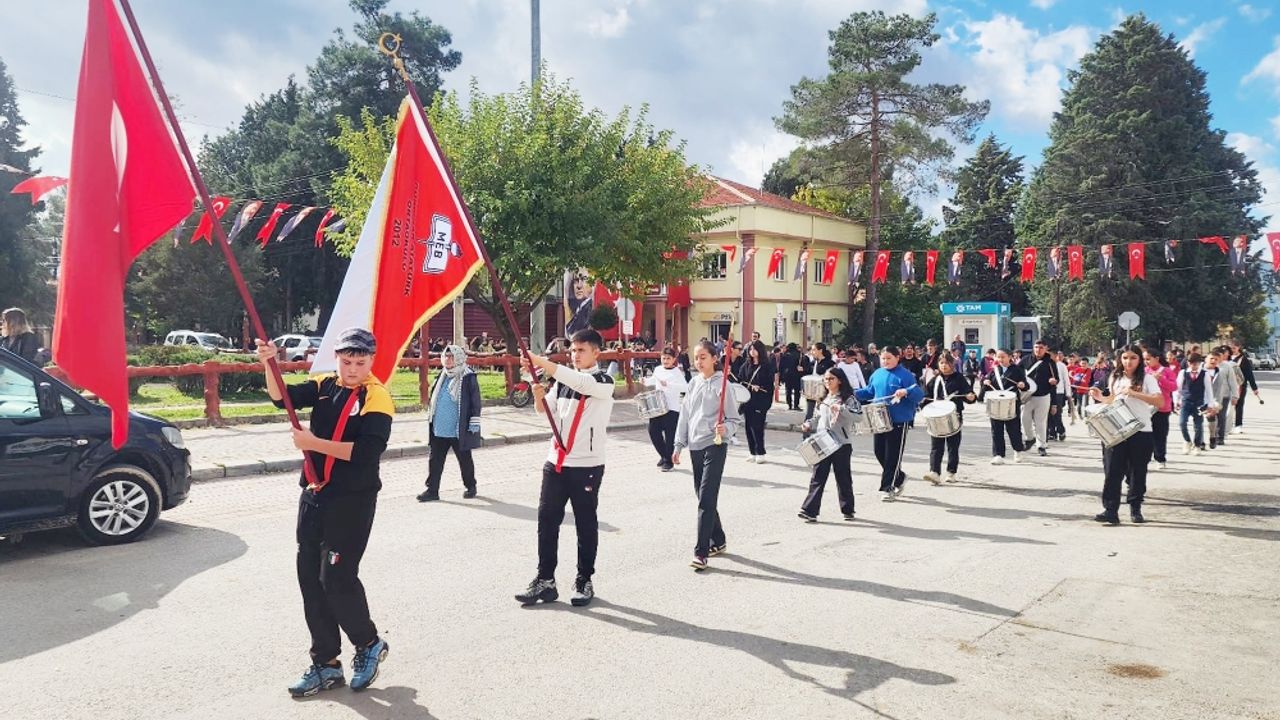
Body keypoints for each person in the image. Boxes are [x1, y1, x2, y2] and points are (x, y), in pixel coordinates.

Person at [256, 329, 394, 697]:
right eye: (346, 362)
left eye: (360, 363)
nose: (352, 369)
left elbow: (366, 453)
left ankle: (368, 645)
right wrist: (270, 363)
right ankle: (326, 663)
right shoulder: (324, 384)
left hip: (352, 501)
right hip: (315, 495)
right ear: (336, 359)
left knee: (337, 578)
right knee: (311, 581)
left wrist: (313, 443)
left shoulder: (377, 397)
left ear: (371, 361)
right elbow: (279, 398)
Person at [514, 329, 615, 608]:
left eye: (581, 350)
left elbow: (580, 382)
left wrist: (539, 361)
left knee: (585, 522)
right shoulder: (562, 383)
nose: (575, 355)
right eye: (572, 350)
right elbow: (546, 411)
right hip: (556, 460)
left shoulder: (603, 381)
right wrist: (538, 396)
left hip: (587, 465)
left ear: (596, 352)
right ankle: (545, 580)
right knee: (547, 520)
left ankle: (584, 579)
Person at [672, 340, 742, 571]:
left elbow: (734, 419)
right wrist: (678, 444)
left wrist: (727, 429)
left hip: (715, 444)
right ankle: (719, 539)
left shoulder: (724, 385)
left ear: (714, 359)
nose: (699, 361)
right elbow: (685, 414)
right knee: (702, 496)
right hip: (695, 445)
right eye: (696, 357)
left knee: (706, 499)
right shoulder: (693, 383)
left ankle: (701, 552)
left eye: (703, 357)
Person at [1088, 346, 1162, 525]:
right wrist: (1100, 397)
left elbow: (1160, 401)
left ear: (1140, 360)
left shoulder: (1148, 378)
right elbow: (1113, 400)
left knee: (1137, 471)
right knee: (1112, 470)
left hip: (1141, 430)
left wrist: (1136, 393)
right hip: (1117, 430)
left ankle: (1135, 507)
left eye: (1133, 358)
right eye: (1125, 358)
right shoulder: (1115, 377)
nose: (1129, 362)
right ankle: (1110, 510)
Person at [854, 347, 924, 501]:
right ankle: (899, 478)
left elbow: (919, 394)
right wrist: (852, 393)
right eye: (883, 358)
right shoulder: (877, 374)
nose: (885, 361)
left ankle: (888, 487)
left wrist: (906, 392)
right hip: (880, 420)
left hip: (899, 420)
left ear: (898, 358)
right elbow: (869, 392)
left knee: (892, 455)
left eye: (889, 358)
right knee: (879, 452)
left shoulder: (906, 375)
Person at [417, 345, 482, 502]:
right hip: (440, 427)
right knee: (435, 460)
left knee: (464, 459)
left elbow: (475, 401)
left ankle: (470, 486)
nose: (448, 360)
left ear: (459, 358)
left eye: (451, 357)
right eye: (446, 356)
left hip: (458, 428)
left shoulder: (468, 376)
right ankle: (432, 490)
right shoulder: (443, 374)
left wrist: (474, 423)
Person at [797, 368, 860, 522]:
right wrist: (808, 424)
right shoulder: (824, 398)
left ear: (839, 380)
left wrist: (842, 409)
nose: (827, 382)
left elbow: (858, 417)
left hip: (841, 443)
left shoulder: (849, 399)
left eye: (831, 379)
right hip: (823, 441)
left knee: (843, 477)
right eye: (825, 379)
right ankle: (809, 510)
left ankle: (848, 509)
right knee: (818, 476)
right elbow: (818, 417)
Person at [921, 353, 976, 484]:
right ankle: (934, 472)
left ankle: (951, 472)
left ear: (952, 364)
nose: (944, 366)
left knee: (953, 446)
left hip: (954, 415)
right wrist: (923, 401)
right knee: (936, 446)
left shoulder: (959, 378)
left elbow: (968, 393)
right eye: (941, 363)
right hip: (937, 417)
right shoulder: (935, 380)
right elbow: (927, 396)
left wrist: (970, 396)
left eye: (946, 363)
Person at [980, 349, 1028, 465]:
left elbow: (1025, 384)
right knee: (996, 430)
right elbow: (987, 382)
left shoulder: (1017, 370)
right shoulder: (994, 371)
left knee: (1013, 429)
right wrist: (985, 382)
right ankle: (998, 454)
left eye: (1003, 357)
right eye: (998, 357)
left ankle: (1018, 450)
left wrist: (1022, 385)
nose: (1000, 359)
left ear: (1010, 357)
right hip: (996, 403)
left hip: (1011, 403)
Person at [643, 347, 688, 471]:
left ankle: (669, 462)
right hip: (657, 406)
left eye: (669, 358)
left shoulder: (677, 372)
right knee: (653, 431)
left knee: (670, 436)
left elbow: (685, 387)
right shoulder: (657, 369)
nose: (666, 360)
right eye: (664, 358)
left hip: (672, 408)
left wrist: (668, 385)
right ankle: (664, 455)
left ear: (674, 359)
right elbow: (653, 380)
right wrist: (645, 381)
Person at [1019, 340, 1060, 457]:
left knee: (1040, 422)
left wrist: (1053, 381)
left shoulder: (1050, 362)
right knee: (1024, 419)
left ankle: (1041, 445)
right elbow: (1016, 372)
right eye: (1036, 347)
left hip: (1043, 395)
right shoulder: (1025, 360)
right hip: (1027, 395)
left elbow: (1056, 379)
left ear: (1046, 348)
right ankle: (1029, 438)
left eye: (1041, 347)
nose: (1038, 349)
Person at [739, 340, 776, 463]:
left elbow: (770, 385)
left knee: (757, 427)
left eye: (754, 349)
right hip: (748, 400)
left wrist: (759, 387)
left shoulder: (766, 366)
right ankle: (752, 452)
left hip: (760, 400)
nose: (752, 352)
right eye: (750, 349)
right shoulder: (746, 365)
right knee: (748, 427)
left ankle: (760, 452)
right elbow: (741, 379)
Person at [1143, 348, 1176, 471]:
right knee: (1146, 434)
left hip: (1162, 408)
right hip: (1146, 407)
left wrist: (1161, 379)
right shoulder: (1144, 371)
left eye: (1148, 359)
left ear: (1156, 358)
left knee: (1160, 435)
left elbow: (1174, 387)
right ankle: (1145, 457)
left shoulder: (1166, 371)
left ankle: (1160, 458)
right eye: (1144, 359)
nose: (1146, 362)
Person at [1174, 353, 1213, 455]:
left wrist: (1210, 404)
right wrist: (1176, 401)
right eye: (1191, 363)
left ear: (1200, 363)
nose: (1193, 365)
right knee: (1182, 423)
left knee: (1198, 425)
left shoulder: (1205, 374)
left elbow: (1209, 390)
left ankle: (1197, 445)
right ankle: (1187, 441)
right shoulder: (1183, 373)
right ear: (1188, 363)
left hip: (1199, 402)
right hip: (1186, 401)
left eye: (1196, 363)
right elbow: (1177, 388)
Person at [1205, 348, 1239, 450]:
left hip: (1224, 395)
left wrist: (1235, 396)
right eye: (1214, 357)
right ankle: (1213, 435)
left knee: (1221, 416)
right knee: (1210, 416)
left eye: (1219, 357)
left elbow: (1233, 382)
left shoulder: (1227, 367)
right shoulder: (1206, 367)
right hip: (1208, 396)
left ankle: (1220, 437)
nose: (1216, 359)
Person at [1228, 341, 1259, 433]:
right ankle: (1227, 426)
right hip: (1228, 385)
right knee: (1228, 406)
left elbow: (1249, 375)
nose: (1232, 350)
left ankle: (1238, 425)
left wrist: (1254, 388)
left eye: (1234, 348)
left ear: (1238, 347)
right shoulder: (1227, 358)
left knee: (1239, 405)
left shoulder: (1244, 360)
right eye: (1231, 348)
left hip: (1240, 385)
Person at [803, 342, 835, 428]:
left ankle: (823, 432)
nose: (812, 352)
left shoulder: (829, 363)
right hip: (812, 390)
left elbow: (832, 377)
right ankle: (806, 435)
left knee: (823, 412)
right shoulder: (813, 362)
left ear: (820, 350)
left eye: (814, 350)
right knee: (809, 413)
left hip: (824, 392)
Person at [1047, 350, 1070, 441]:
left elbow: (1066, 380)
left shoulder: (1061, 365)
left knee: (1056, 413)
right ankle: (1051, 432)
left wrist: (1068, 394)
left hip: (1058, 393)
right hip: (1047, 392)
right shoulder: (1045, 364)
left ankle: (1061, 430)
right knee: (1048, 414)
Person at [778, 343, 803, 410]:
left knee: (788, 390)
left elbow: (781, 366)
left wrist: (780, 378)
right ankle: (796, 405)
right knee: (797, 391)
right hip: (797, 375)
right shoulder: (799, 354)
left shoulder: (785, 355)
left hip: (787, 375)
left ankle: (789, 405)